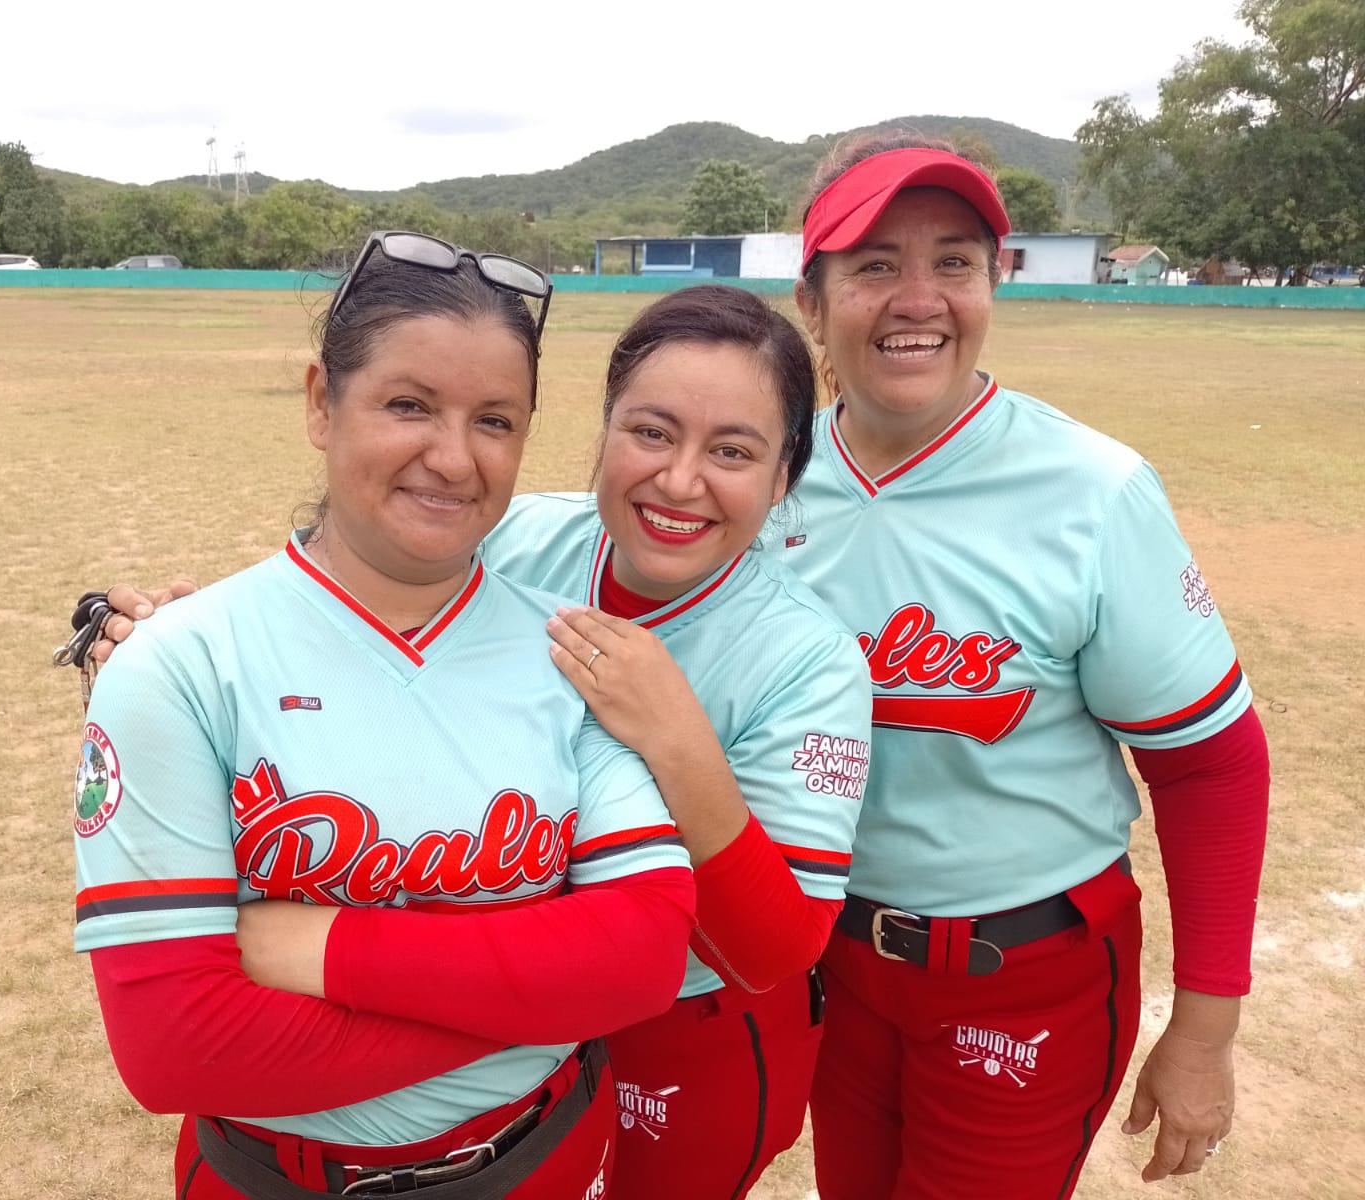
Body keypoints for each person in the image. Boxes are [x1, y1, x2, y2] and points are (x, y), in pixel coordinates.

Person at [73, 285, 873, 1199]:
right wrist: (178, 641)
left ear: (781, 480)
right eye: (650, 432)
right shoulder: (522, 536)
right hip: (537, 1021)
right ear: (601, 433)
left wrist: (677, 737)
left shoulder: (805, 654)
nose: (681, 480)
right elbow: (360, 596)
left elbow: (769, 951)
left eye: (733, 451)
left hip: (694, 1009)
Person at [782, 134, 1269, 1198]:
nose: (919, 298)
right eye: (872, 265)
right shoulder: (765, 477)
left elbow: (1206, 765)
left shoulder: (1089, 491)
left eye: (953, 261)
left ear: (992, 282)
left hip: (1022, 974)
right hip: (834, 966)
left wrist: (1204, 1025)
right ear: (811, 302)